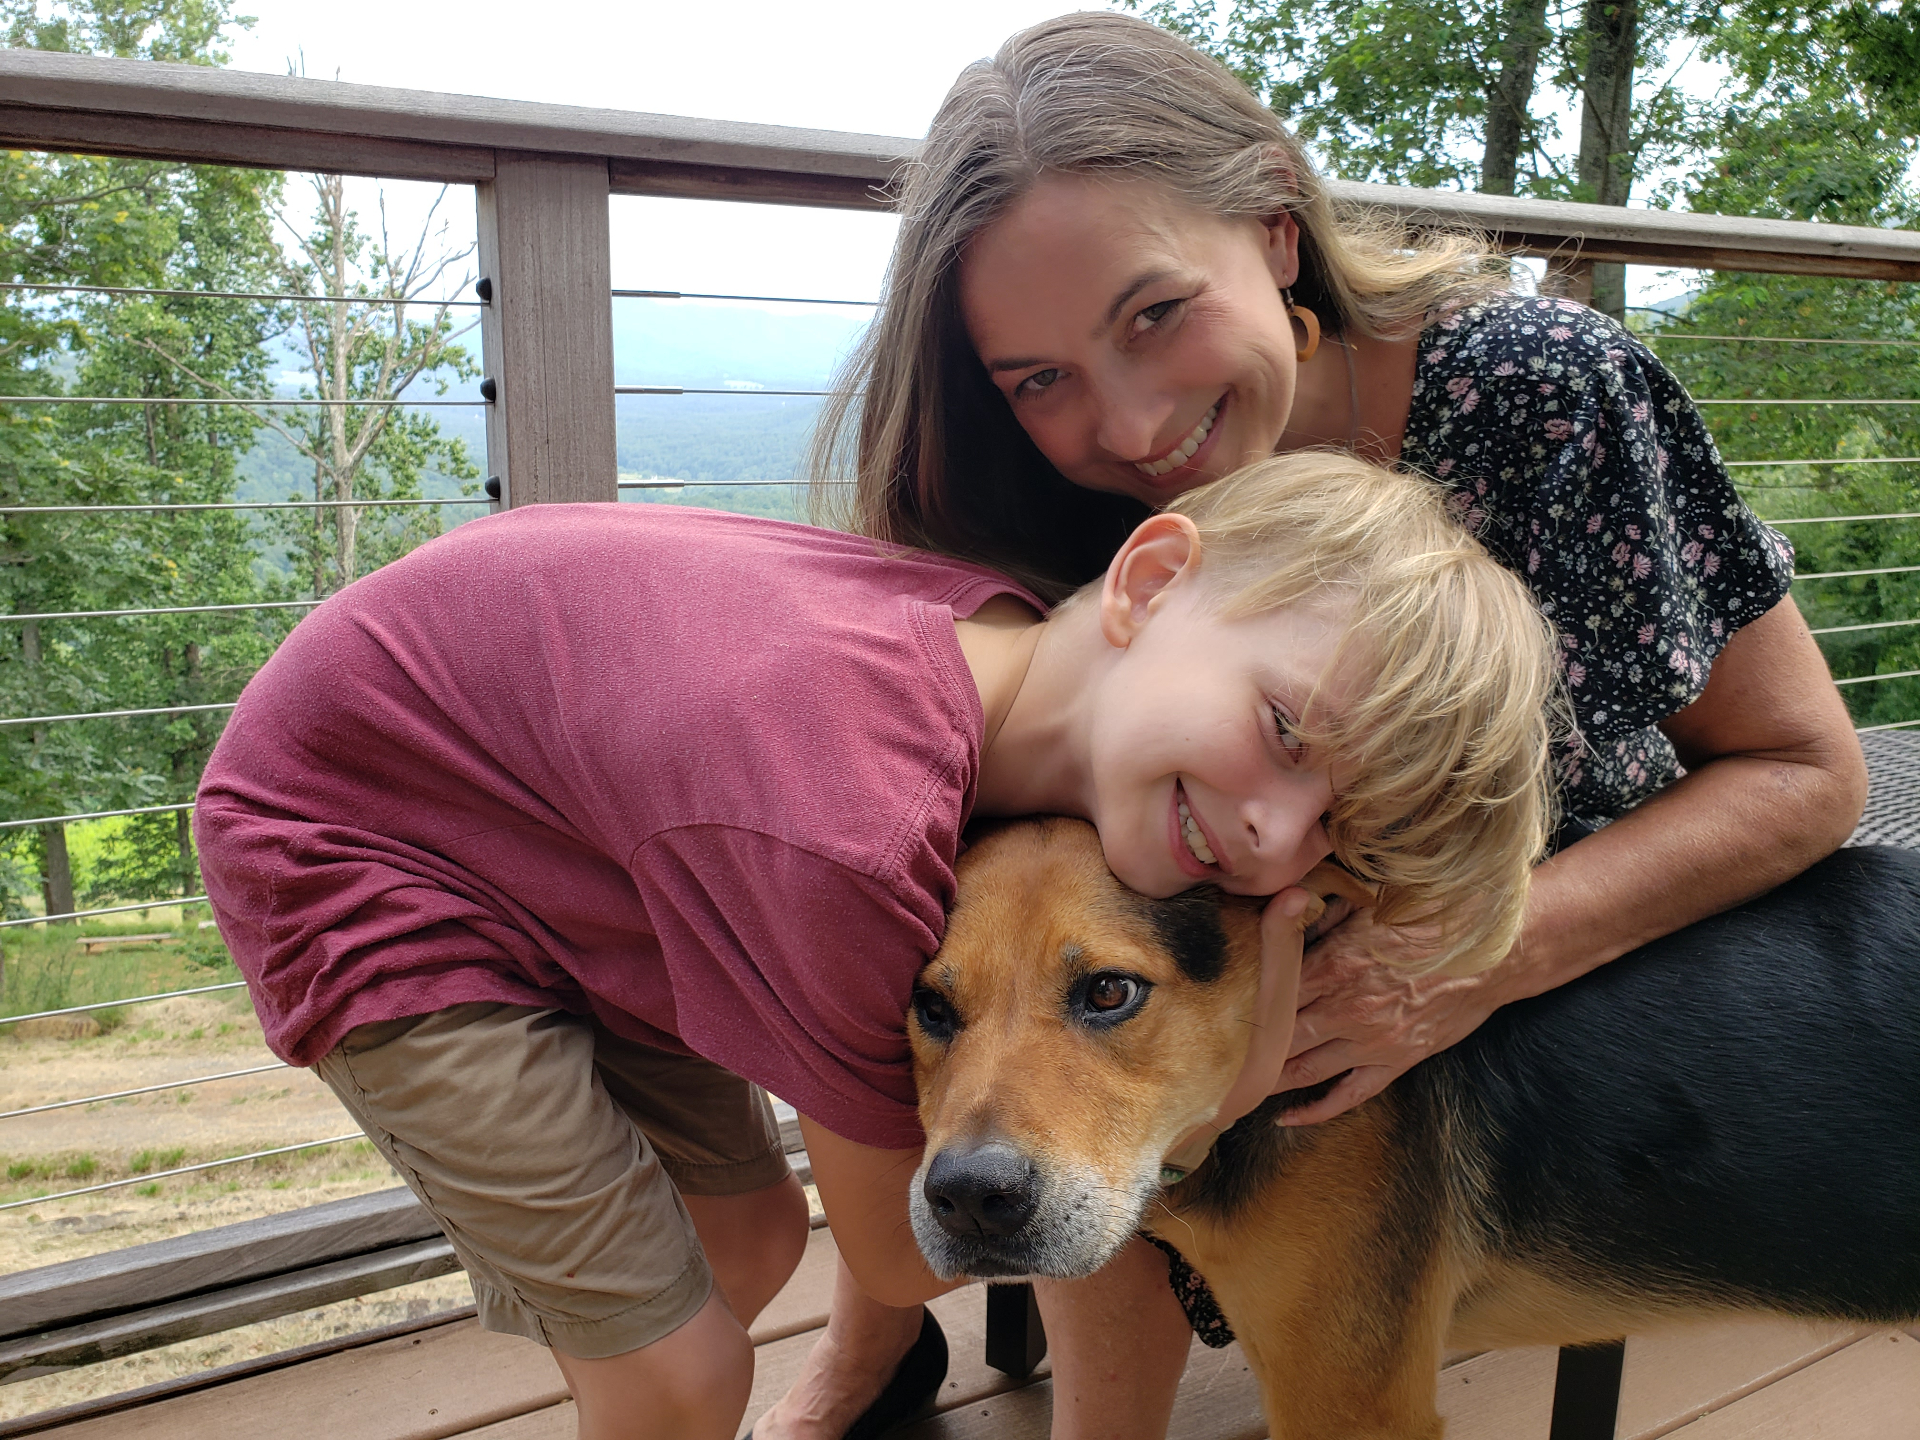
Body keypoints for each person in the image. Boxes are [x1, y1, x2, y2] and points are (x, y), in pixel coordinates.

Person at [761, 12, 1870, 1440]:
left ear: (1279, 228)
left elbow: (1808, 771)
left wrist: (1467, 965)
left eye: (1155, 312)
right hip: (1185, 985)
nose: (1134, 420)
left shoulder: (1536, 394)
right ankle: (891, 1339)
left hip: (1548, 974)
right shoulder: (1056, 494)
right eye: (1037, 377)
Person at [195, 452, 1558, 1440]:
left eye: (1332, 831)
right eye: (1282, 730)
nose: (1271, 835)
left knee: (738, 1240)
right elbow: (908, 1265)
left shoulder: (1023, 667)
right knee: (670, 1376)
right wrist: (1239, 1076)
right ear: (1147, 580)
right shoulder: (855, 840)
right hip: (359, 847)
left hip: (562, 842)